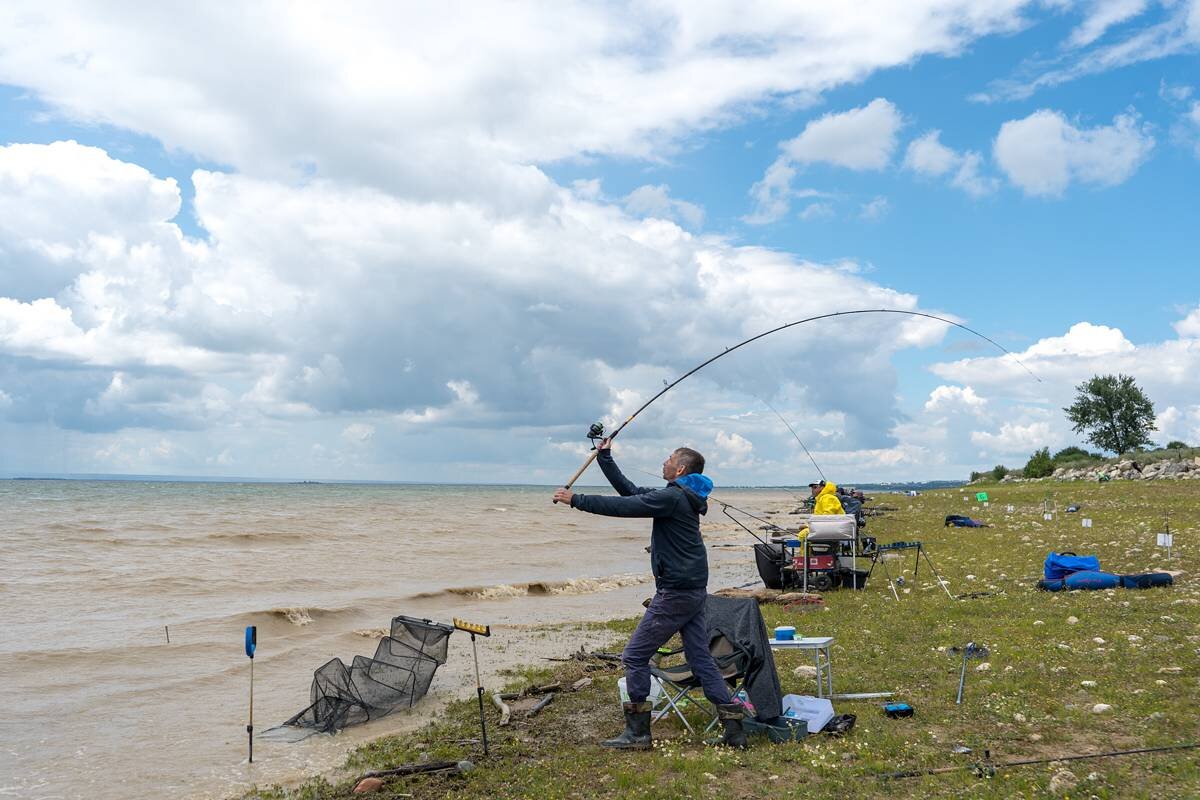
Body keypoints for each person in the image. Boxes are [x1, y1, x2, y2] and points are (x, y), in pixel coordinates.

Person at [552, 439, 748, 750]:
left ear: (680, 468)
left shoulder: (673, 497)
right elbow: (629, 492)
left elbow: (624, 507)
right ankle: (735, 731)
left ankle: (638, 734)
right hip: (693, 588)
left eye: (669, 458)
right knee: (701, 661)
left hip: (678, 591)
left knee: (634, 655)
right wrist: (605, 457)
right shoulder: (678, 496)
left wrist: (575, 499)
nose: (663, 462)